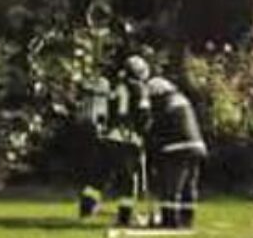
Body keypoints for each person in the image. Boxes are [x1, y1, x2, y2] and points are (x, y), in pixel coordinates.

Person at [79, 60, 150, 226]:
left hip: (109, 138)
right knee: (128, 181)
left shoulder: (117, 87)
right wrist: (143, 134)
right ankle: (125, 217)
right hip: (128, 140)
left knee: (99, 177)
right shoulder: (140, 89)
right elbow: (143, 116)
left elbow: (106, 113)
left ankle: (86, 210)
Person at [139, 63, 208, 230]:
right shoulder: (182, 99)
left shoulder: (162, 103)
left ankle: (170, 221)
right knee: (189, 187)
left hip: (177, 149)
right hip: (197, 147)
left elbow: (156, 130)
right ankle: (187, 220)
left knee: (170, 187)